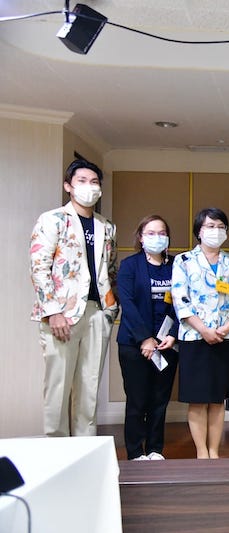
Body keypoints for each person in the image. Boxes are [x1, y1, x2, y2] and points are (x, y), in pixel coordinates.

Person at [30, 158, 119, 437]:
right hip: (61, 315)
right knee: (58, 386)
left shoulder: (107, 227)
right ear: (68, 186)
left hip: (98, 312)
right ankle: (57, 449)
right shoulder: (53, 219)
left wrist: (110, 310)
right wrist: (52, 311)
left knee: (89, 387)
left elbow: (110, 270)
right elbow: (39, 267)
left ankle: (85, 448)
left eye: (94, 182)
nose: (89, 187)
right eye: (82, 181)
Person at [172, 208, 229, 458]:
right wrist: (204, 330)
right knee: (197, 399)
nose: (216, 231)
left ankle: (214, 451)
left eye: (221, 227)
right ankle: (201, 452)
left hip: (226, 338)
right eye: (210, 226)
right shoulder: (184, 261)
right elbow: (180, 300)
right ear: (199, 231)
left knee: (218, 398)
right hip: (195, 338)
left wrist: (228, 327)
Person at [116, 215, 179, 460]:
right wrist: (145, 339)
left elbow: (183, 302)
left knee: (160, 400)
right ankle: (135, 452)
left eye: (162, 233)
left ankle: (154, 449)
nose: (157, 237)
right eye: (150, 233)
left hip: (166, 344)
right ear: (141, 238)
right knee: (137, 400)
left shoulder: (177, 265)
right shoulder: (130, 265)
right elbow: (128, 304)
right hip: (134, 344)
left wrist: (172, 335)